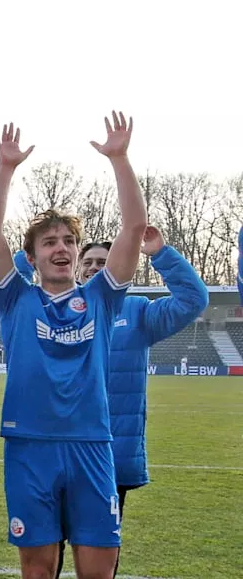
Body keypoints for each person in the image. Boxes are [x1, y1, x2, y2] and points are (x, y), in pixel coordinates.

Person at [0, 114, 145, 579]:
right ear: (31, 257)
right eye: (49, 241)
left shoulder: (100, 298)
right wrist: (6, 169)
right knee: (37, 571)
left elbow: (133, 228)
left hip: (92, 445)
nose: (62, 248)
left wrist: (120, 158)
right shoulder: (15, 299)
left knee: (98, 571)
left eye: (69, 240)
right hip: (30, 446)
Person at [16, 227, 209, 579]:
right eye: (86, 261)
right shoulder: (50, 311)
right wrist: (32, 248)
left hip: (110, 454)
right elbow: (12, 283)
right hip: (53, 447)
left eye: (102, 262)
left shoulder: (137, 312)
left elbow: (193, 300)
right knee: (46, 554)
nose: (92, 267)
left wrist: (161, 254)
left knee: (99, 562)